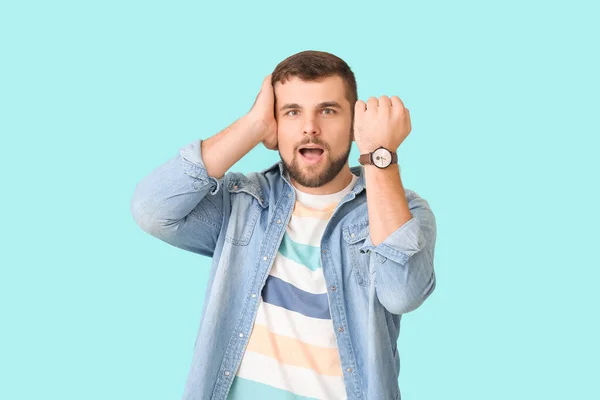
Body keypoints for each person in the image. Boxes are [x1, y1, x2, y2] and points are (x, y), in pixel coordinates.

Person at [130, 50, 437, 400]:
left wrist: (379, 155)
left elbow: (402, 293)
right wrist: (253, 125)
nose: (310, 127)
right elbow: (152, 209)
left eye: (328, 110)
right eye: (292, 112)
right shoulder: (242, 202)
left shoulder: (402, 209)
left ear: (355, 125)